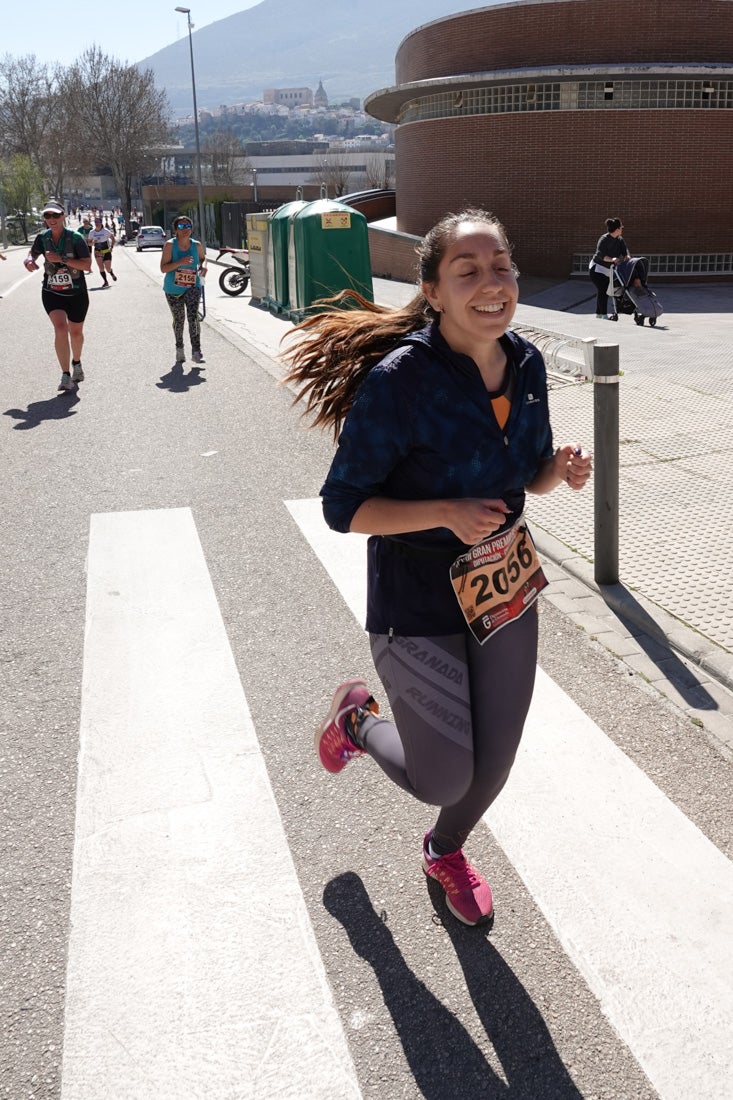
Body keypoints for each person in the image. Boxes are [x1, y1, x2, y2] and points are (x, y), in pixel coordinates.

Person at [282, 208, 592, 928]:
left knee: (494, 762)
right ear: (433, 290)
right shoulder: (400, 381)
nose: (492, 283)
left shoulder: (526, 361)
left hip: (503, 585)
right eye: (468, 271)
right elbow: (342, 507)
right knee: (442, 773)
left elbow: (525, 476)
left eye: (501, 267)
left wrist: (559, 468)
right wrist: (444, 512)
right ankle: (356, 721)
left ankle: (442, 848)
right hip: (416, 595)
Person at [23, 198, 92, 391]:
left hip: (77, 293)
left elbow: (87, 265)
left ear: (63, 216)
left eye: (55, 215)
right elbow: (32, 254)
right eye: (47, 215)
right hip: (52, 292)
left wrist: (62, 259)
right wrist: (28, 260)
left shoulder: (76, 238)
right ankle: (65, 375)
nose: (51, 219)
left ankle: (76, 362)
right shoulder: (42, 237)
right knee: (61, 329)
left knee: (76, 333)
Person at [160, 217, 207, 364]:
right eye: (181, 226)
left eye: (188, 226)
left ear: (192, 229)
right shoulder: (169, 245)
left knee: (193, 317)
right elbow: (163, 268)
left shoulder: (196, 245)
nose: (185, 228)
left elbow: (202, 258)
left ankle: (196, 351)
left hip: (193, 286)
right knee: (179, 320)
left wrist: (204, 266)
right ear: (176, 230)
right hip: (173, 289)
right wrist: (180, 262)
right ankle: (179, 349)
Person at [589, 217, 630, 319]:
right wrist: (612, 259)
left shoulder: (619, 239)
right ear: (617, 229)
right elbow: (600, 255)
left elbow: (625, 250)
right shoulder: (604, 239)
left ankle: (599, 314)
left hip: (609, 270)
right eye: (621, 228)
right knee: (603, 290)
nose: (622, 230)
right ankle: (603, 314)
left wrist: (627, 256)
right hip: (597, 269)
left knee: (604, 291)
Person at [88, 216, 116, 286]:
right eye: (95, 222)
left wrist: (111, 247)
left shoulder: (105, 231)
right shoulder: (92, 232)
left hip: (106, 250)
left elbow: (113, 239)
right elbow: (89, 243)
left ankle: (111, 273)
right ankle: (105, 281)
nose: (97, 223)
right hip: (97, 251)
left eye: (98, 222)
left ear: (101, 223)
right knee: (101, 267)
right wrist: (93, 242)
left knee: (108, 268)